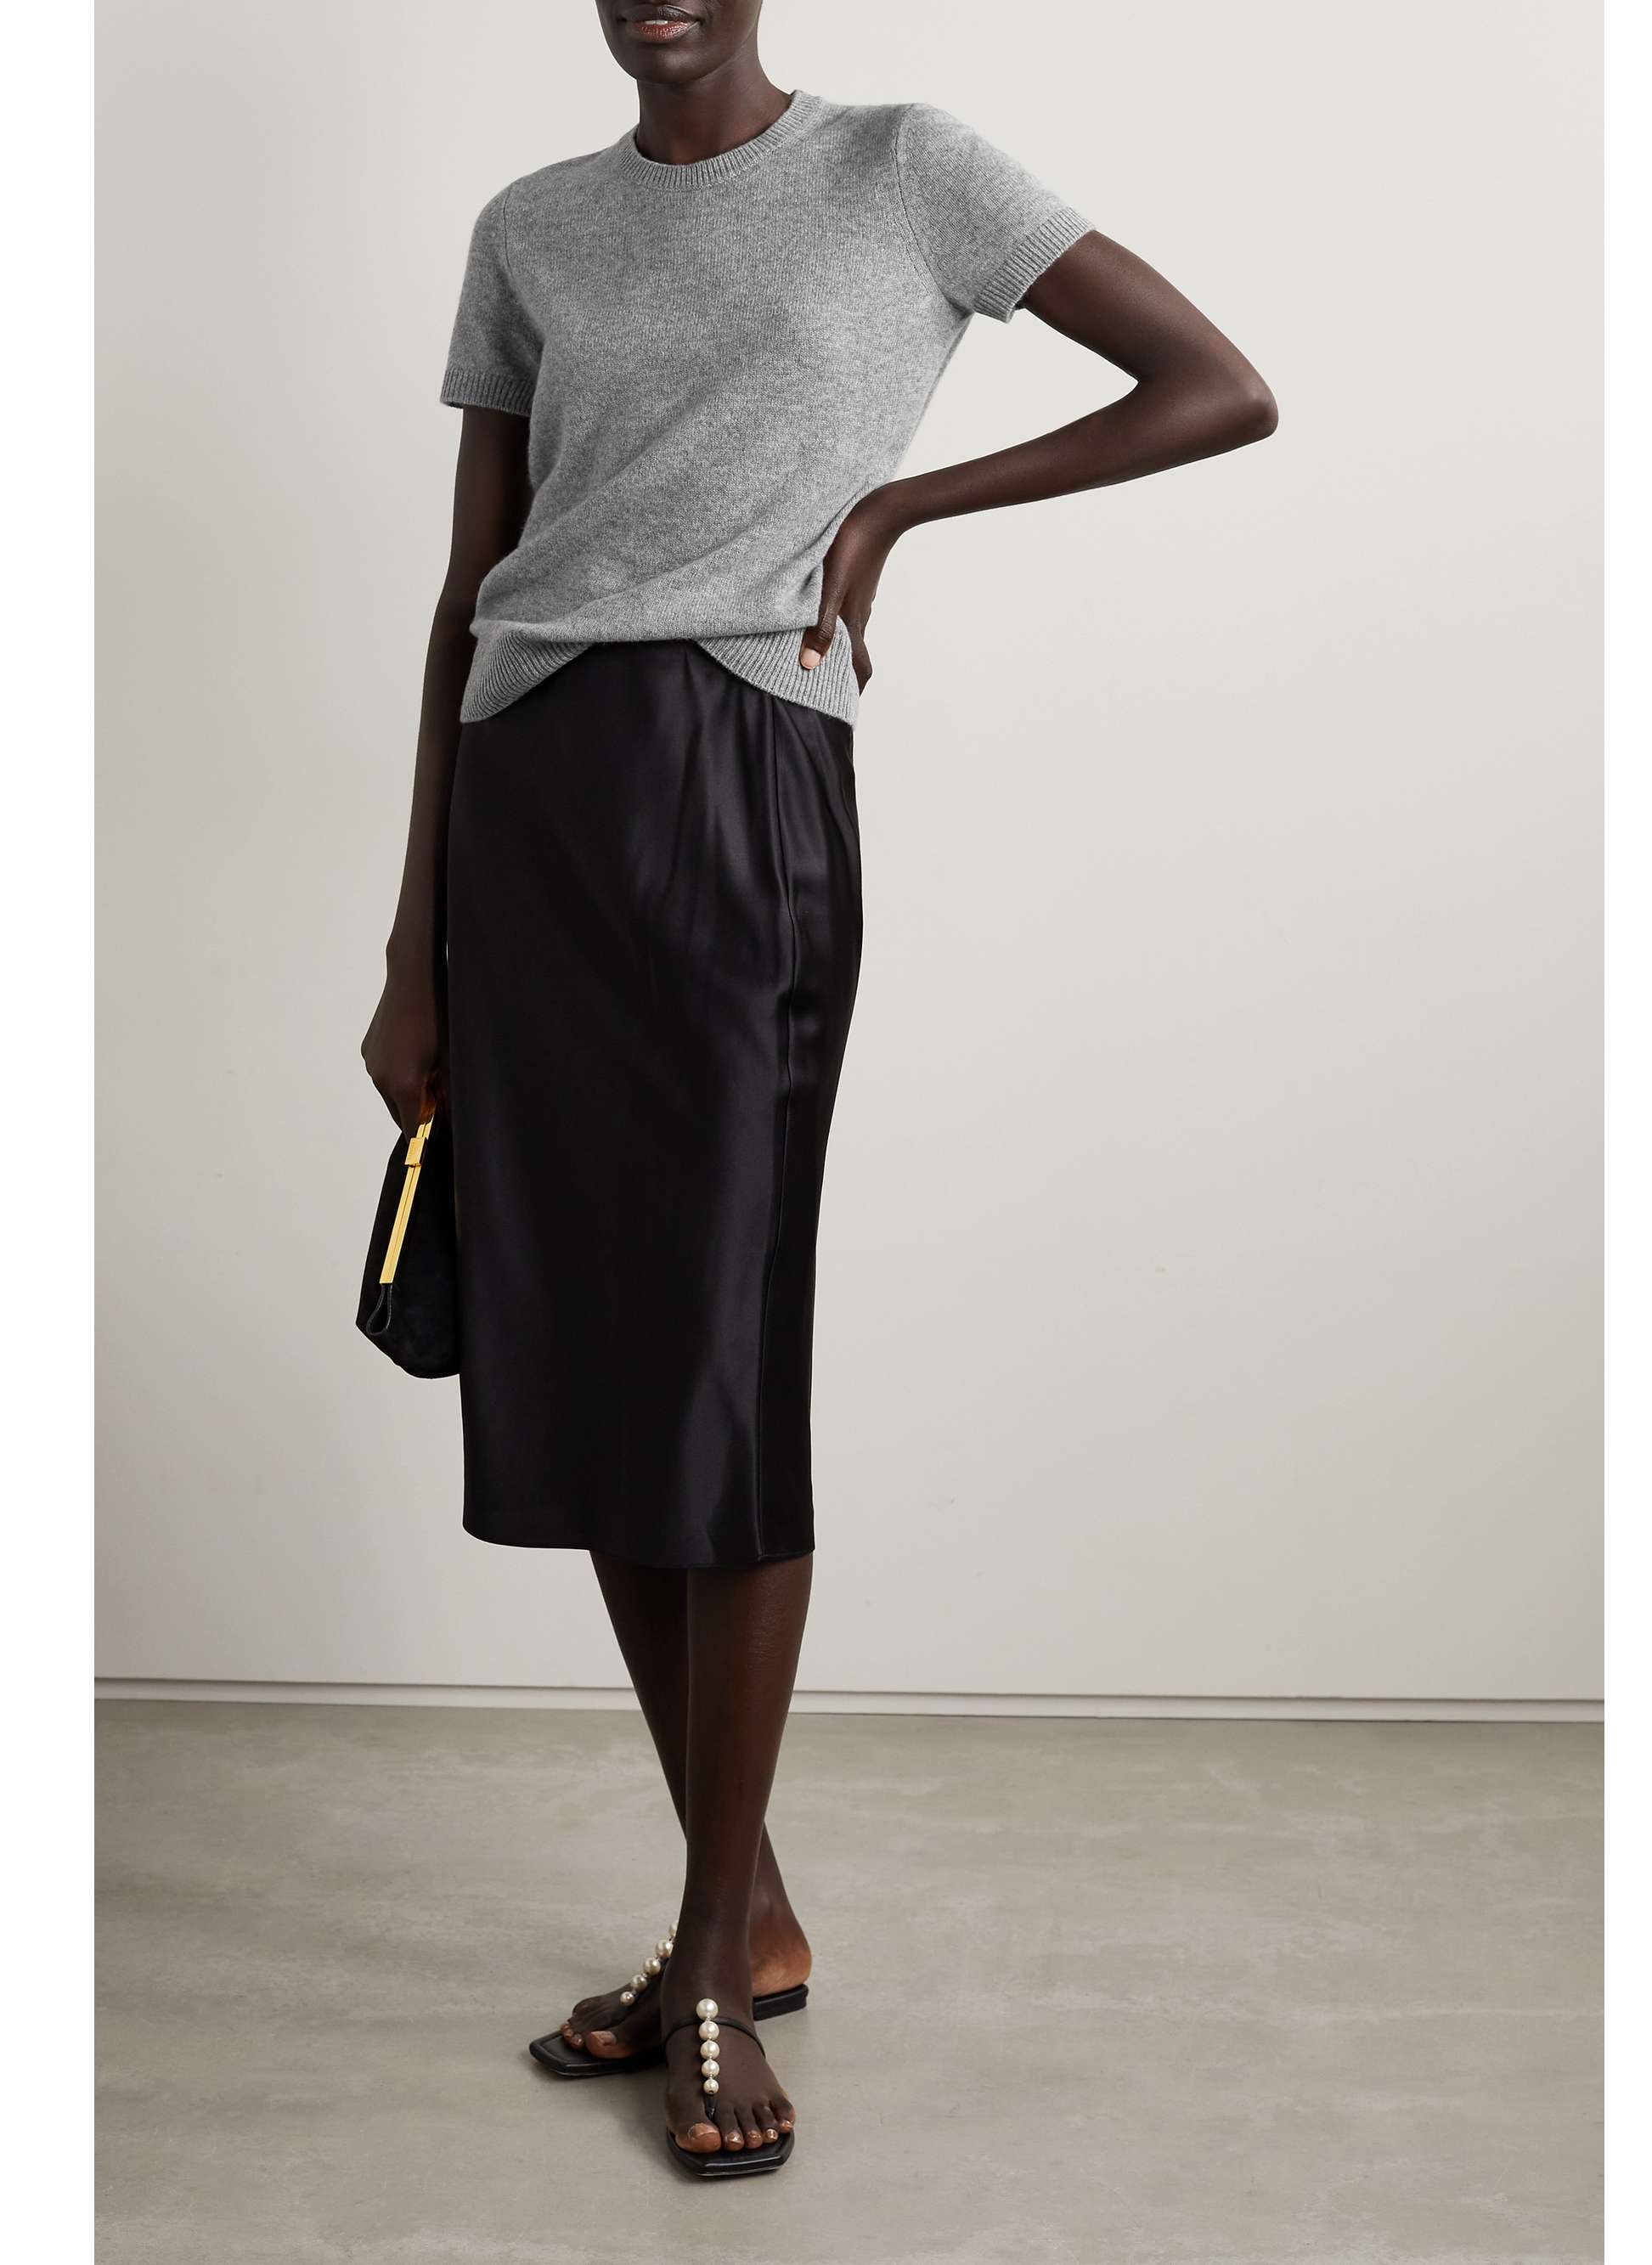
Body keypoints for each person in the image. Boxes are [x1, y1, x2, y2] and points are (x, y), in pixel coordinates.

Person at [361, 0, 1275, 2179]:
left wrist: (892, 512)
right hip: (527, 798)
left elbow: (1214, 386)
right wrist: (413, 940)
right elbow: (470, 587)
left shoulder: (904, 169)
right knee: (592, 1358)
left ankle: (705, 1949)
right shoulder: (531, 224)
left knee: (719, 1355)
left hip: (736, 779)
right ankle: (741, 1909)